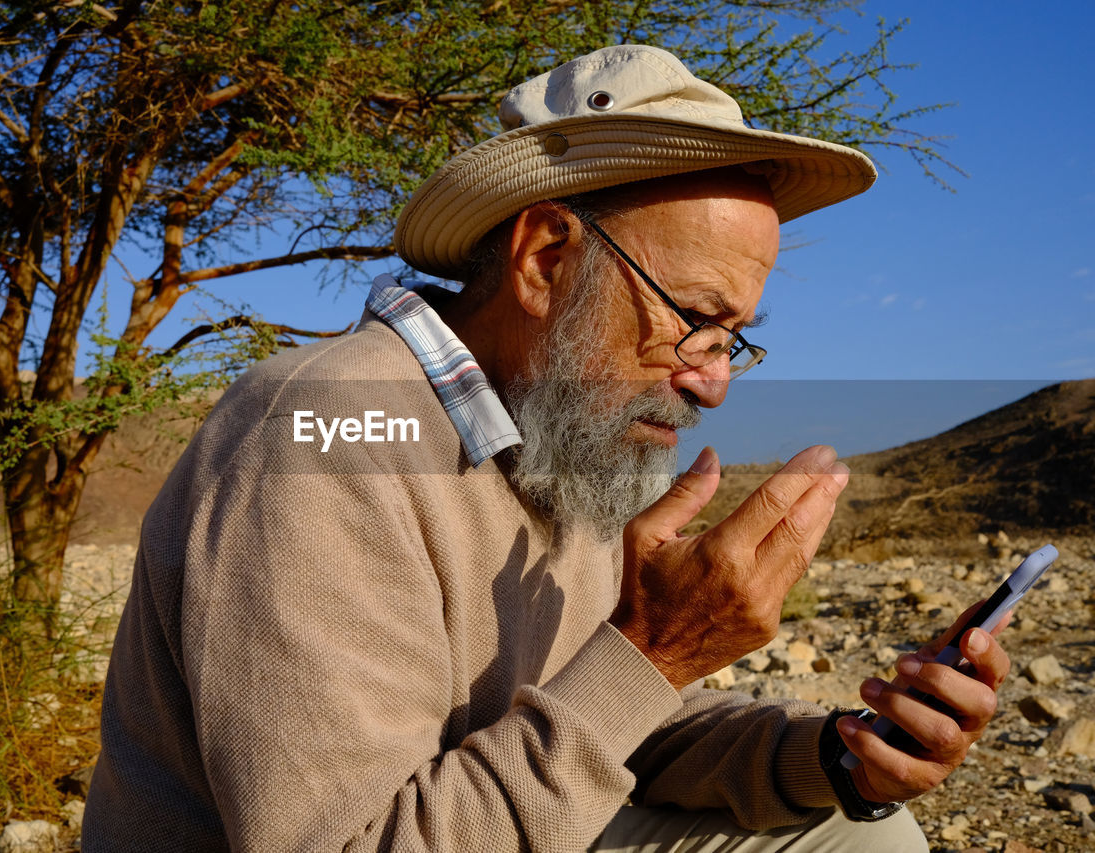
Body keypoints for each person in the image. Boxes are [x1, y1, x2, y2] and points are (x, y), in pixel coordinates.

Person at [84, 45, 1009, 851]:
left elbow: (614, 735)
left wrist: (842, 753)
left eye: (733, 337)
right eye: (693, 318)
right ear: (543, 261)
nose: (712, 380)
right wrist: (656, 647)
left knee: (858, 826)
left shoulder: (558, 440)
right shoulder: (330, 433)